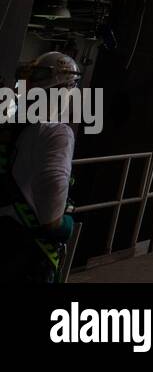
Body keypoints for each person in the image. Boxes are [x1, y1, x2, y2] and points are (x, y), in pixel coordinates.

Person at [0, 52, 81, 283]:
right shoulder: (56, 133)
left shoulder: (9, 128)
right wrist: (62, 225)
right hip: (23, 250)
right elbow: (52, 185)